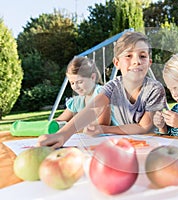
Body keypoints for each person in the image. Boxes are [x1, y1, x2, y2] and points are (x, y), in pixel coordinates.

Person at [37, 31, 167, 148]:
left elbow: (144, 127)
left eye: (142, 56)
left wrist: (104, 129)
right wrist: (63, 134)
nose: (136, 61)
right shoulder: (113, 86)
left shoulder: (155, 89)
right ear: (117, 63)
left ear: (149, 62)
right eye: (128, 56)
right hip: (128, 146)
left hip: (154, 146)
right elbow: (95, 107)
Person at [55, 56, 110, 126]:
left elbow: (102, 125)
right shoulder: (77, 101)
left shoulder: (101, 93)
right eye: (72, 83)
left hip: (113, 135)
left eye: (80, 82)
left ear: (93, 77)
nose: (76, 87)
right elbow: (59, 121)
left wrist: (72, 127)